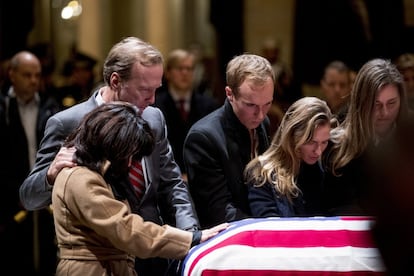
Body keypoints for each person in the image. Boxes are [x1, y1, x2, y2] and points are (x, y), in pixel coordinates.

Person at [19, 36, 201, 276]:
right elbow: (28, 197)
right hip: (102, 260)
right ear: (116, 81)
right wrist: (50, 175)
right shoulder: (67, 123)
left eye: (157, 89)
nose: (152, 99)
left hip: (157, 251)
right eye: (145, 90)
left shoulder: (153, 117)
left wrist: (191, 236)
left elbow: (172, 183)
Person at [52, 102, 228, 276]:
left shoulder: (98, 175)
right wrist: (192, 239)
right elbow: (125, 229)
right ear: (111, 143)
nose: (129, 163)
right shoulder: (80, 178)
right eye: (127, 154)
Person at [183, 53, 275, 228]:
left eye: (267, 104)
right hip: (227, 237)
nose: (261, 114)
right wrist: (265, 227)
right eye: (251, 105)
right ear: (229, 94)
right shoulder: (202, 138)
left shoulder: (263, 123)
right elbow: (218, 212)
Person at [322, 58, 410, 216]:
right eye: (376, 105)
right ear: (361, 103)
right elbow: (336, 207)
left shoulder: (409, 144)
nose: (385, 113)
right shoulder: (336, 147)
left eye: (391, 103)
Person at [0, 50, 61, 275]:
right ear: (12, 74)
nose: (34, 80)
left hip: (45, 191)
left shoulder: (50, 106)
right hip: (10, 196)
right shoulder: (4, 108)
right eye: (27, 75)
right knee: (14, 254)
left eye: (37, 75)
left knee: (47, 252)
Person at [244, 97, 337, 217]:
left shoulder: (327, 170)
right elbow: (268, 228)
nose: (318, 151)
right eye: (311, 142)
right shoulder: (262, 174)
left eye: (324, 142)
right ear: (292, 137)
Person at [154, 49, 219, 178]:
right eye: (180, 68)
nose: (185, 73)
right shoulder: (155, 106)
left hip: (201, 177)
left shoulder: (210, 105)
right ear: (167, 73)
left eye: (189, 69)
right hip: (165, 177)